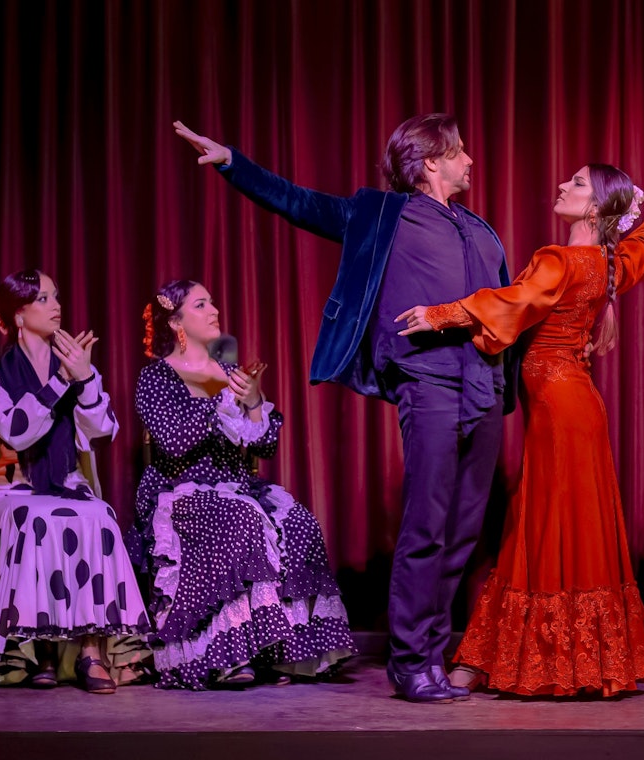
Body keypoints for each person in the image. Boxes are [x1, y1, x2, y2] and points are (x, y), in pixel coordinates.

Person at [173, 114, 514, 703]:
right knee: (427, 525)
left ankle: (433, 653)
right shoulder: (382, 214)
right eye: (460, 152)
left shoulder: (480, 228)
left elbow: (513, 303)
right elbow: (300, 203)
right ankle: (410, 662)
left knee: (463, 532)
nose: (471, 161)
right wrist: (235, 163)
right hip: (427, 380)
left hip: (484, 388)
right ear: (430, 161)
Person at [397, 99, 644, 697]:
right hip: (576, 404)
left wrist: (441, 313)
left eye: (578, 183)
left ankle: (515, 660)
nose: (563, 185)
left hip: (560, 406)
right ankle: (537, 657)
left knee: (545, 522)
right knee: (553, 521)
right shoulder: (614, 262)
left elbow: (511, 303)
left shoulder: (560, 260)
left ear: (597, 205)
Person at [0, 269, 152, 693]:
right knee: (34, 517)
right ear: (19, 314)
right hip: (10, 490)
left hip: (64, 482)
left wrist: (84, 378)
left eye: (56, 296)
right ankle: (39, 650)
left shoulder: (73, 366)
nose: (57, 306)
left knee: (101, 516)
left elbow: (103, 429)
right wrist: (60, 383)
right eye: (45, 298)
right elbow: (17, 431)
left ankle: (89, 649)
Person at [130, 279, 356, 690]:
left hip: (239, 488)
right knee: (239, 521)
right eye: (201, 304)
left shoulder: (230, 371)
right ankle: (226, 653)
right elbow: (174, 442)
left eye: (213, 301)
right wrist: (218, 402)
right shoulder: (157, 378)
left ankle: (285, 650)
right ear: (177, 321)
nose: (215, 310)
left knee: (299, 523)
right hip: (181, 490)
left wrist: (252, 401)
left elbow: (265, 444)